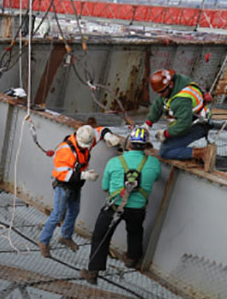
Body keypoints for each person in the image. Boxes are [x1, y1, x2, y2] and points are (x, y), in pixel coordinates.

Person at [80, 127, 161, 284]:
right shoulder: (153, 163)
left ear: (129, 144)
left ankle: (93, 272)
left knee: (100, 236)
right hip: (137, 209)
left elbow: (105, 187)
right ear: (146, 146)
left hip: (115, 206)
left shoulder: (114, 162)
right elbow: (156, 177)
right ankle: (132, 258)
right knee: (135, 231)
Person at [38, 123, 120, 258]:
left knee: (74, 211)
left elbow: (99, 131)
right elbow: (60, 174)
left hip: (76, 185)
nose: (88, 148)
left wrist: (108, 136)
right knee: (58, 215)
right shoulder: (65, 151)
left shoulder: (85, 139)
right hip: (64, 187)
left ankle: (66, 236)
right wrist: (83, 175)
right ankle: (43, 241)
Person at [145, 68, 216, 172]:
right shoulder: (177, 82)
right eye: (158, 92)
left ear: (170, 85)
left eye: (161, 92)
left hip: (199, 125)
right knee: (170, 144)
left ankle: (202, 153)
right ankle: (192, 152)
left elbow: (184, 125)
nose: (159, 95)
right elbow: (159, 103)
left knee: (165, 151)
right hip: (192, 120)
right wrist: (148, 123)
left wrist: (166, 134)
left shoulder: (181, 100)